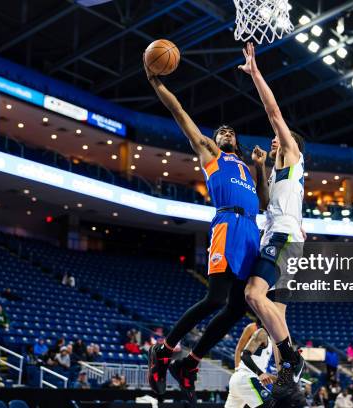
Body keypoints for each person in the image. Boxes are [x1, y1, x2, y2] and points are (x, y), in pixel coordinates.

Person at [144, 51, 260, 401]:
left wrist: (264, 169)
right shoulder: (211, 153)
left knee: (240, 307)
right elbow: (180, 113)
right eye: (220, 130)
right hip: (227, 223)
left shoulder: (248, 170)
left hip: (251, 229)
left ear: (236, 140)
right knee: (215, 298)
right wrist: (156, 82)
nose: (225, 131)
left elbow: (266, 203)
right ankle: (164, 350)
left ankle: (189, 362)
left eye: (230, 131)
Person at [238, 42, 307, 399]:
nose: (274, 139)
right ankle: (287, 382)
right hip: (281, 236)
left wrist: (255, 73)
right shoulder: (280, 172)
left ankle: (292, 362)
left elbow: (273, 111)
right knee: (274, 313)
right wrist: (259, 167)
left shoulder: (293, 155)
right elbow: (265, 203)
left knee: (253, 294)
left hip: (282, 238)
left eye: (279, 138)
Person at [225, 321, 277, 408]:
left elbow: (259, 370)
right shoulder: (262, 332)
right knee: (272, 405)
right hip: (246, 378)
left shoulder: (268, 340)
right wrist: (259, 373)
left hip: (239, 379)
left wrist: (278, 379)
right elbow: (244, 354)